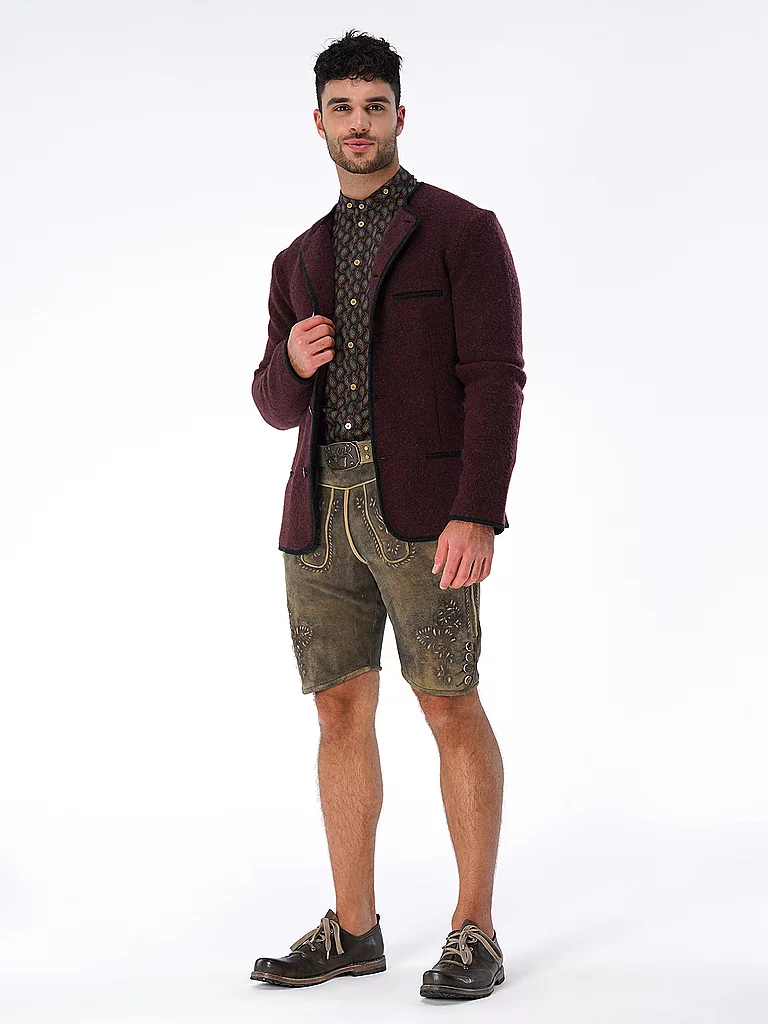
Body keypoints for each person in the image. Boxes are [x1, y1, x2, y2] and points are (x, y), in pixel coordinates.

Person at [249, 28, 525, 1001]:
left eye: (374, 107)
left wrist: (477, 510)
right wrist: (292, 364)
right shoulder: (297, 258)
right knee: (338, 710)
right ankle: (355, 928)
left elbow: (496, 378)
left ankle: (474, 927)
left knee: (448, 700)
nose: (358, 123)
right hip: (319, 513)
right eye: (342, 108)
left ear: (400, 116)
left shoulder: (462, 230)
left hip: (424, 512)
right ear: (318, 120)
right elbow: (271, 403)